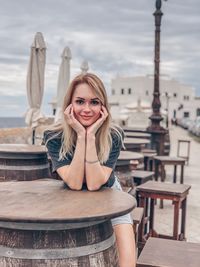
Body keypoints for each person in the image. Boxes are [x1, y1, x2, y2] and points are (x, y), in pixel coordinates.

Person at [43, 73, 136, 267]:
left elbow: (94, 184)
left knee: (128, 263)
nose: (87, 109)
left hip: (110, 196)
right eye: (80, 101)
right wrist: (79, 133)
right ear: (69, 105)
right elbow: (75, 183)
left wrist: (90, 136)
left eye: (94, 102)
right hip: (71, 199)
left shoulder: (114, 135)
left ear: (103, 107)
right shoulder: (53, 136)